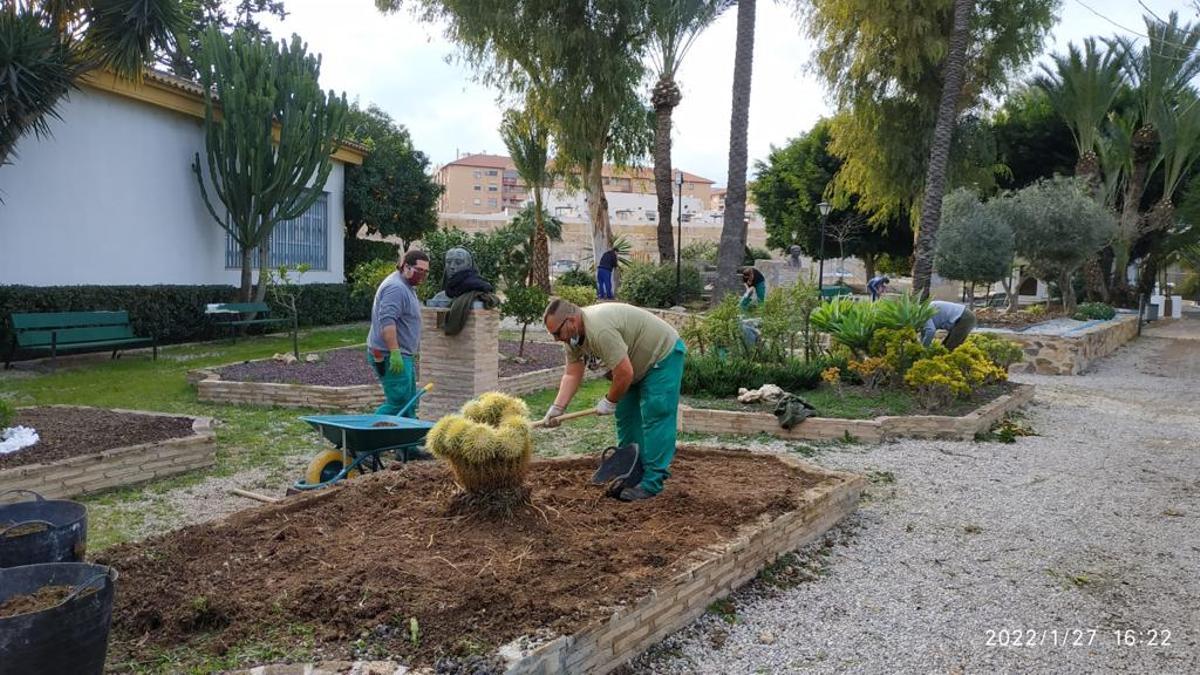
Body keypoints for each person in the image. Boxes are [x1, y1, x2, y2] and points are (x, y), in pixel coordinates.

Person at [541, 299, 687, 502]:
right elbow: (572, 374)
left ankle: (651, 482)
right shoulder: (572, 339)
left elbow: (624, 373)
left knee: (656, 414)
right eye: (552, 335)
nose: (556, 339)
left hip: (661, 355)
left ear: (572, 320)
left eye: (557, 333)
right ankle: (631, 472)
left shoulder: (599, 330)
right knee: (626, 416)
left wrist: (610, 400)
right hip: (632, 364)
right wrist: (557, 408)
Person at [367, 249, 430, 417]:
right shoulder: (395, 288)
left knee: (409, 401)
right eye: (419, 270)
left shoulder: (407, 285)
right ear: (405, 267)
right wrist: (395, 352)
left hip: (403, 354)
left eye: (425, 272)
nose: (422, 275)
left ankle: (406, 442)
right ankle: (367, 435)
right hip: (390, 355)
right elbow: (387, 321)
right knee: (399, 401)